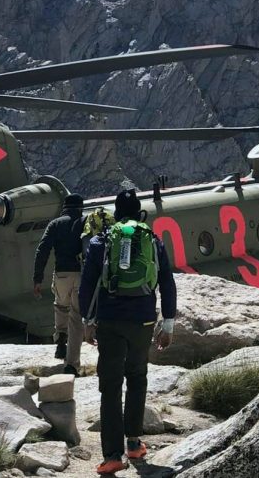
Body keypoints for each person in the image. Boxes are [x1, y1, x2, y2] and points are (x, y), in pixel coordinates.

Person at [79, 189, 176, 474]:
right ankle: (134, 444)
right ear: (139, 213)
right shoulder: (153, 240)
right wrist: (167, 324)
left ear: (116, 213)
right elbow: (167, 282)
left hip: (109, 320)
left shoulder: (101, 241)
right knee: (137, 376)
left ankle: (112, 455)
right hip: (143, 320)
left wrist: (87, 321)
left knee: (110, 385)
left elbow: (88, 284)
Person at [33, 193, 86, 376]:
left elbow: (42, 250)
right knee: (76, 318)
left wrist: (37, 278)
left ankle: (61, 336)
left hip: (62, 274)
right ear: (80, 207)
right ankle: (72, 364)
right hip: (82, 275)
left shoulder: (55, 224)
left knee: (61, 306)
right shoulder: (86, 222)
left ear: (65, 207)